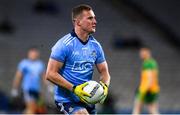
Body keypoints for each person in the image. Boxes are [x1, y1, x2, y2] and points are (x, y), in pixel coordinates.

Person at [46, 4, 111, 114]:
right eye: (90, 18)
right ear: (78, 22)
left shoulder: (96, 46)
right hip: (67, 100)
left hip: (88, 100)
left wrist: (105, 86)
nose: (95, 21)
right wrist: (75, 89)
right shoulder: (64, 45)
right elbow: (50, 74)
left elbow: (105, 72)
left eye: (94, 18)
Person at [11, 47, 46, 114]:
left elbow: (43, 76)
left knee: (37, 109)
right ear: (28, 54)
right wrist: (15, 88)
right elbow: (18, 76)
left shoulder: (40, 64)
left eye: (35, 54)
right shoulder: (24, 63)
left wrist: (49, 86)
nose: (33, 55)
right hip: (27, 89)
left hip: (36, 90)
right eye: (32, 54)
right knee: (31, 108)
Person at [133, 47, 160, 114]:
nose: (140, 54)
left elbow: (149, 77)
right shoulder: (153, 62)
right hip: (153, 89)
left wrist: (146, 88)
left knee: (137, 109)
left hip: (146, 89)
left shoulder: (147, 63)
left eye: (142, 52)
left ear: (147, 52)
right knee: (152, 110)